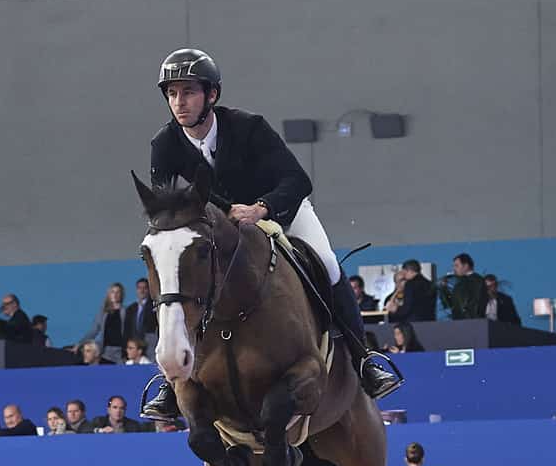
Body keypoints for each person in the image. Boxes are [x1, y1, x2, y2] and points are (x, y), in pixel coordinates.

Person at [141, 48, 399, 422]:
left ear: (211, 94)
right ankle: (171, 381)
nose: (179, 102)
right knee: (179, 277)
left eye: (188, 92)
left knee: (327, 264)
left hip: (280, 214)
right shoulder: (164, 144)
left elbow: (298, 180)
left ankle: (364, 360)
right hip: (221, 230)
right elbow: (167, 209)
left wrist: (260, 208)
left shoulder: (248, 127)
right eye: (172, 94)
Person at [78, 284, 127, 362]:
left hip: (121, 351)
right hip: (106, 350)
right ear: (109, 294)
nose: (115, 294)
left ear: (121, 294)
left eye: (118, 292)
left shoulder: (126, 311)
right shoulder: (103, 312)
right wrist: (80, 344)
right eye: (113, 292)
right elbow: (93, 331)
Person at [124, 277, 157, 351]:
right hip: (134, 346)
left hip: (150, 345)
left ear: (149, 290)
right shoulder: (130, 309)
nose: (142, 291)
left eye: (145, 288)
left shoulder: (154, 306)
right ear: (136, 290)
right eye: (139, 288)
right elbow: (127, 330)